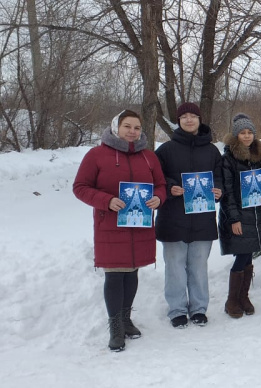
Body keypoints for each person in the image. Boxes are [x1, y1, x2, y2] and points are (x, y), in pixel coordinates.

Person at [73, 110, 167, 351]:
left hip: (140, 223)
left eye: (137, 127)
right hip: (111, 225)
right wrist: (106, 201)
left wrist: (158, 197)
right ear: (116, 127)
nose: (132, 131)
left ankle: (126, 318)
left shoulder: (148, 157)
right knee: (115, 274)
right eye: (127, 126)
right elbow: (80, 187)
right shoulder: (97, 155)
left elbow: (161, 185)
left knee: (132, 272)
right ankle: (115, 325)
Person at [155, 102, 223, 328]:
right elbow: (156, 180)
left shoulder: (212, 150)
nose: (189, 119)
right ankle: (176, 309)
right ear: (178, 121)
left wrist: (218, 190)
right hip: (173, 218)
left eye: (193, 115)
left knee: (198, 266)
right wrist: (170, 187)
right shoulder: (165, 150)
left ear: (200, 119)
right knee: (174, 266)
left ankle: (199, 308)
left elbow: (220, 177)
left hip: (202, 218)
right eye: (184, 116)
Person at [218, 113, 261, 318]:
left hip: (256, 213)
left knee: (249, 254)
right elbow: (228, 192)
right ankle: (232, 300)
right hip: (238, 214)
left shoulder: (259, 156)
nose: (247, 136)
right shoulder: (228, 160)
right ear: (236, 135)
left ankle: (244, 296)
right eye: (243, 132)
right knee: (241, 255)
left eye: (250, 132)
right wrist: (234, 219)